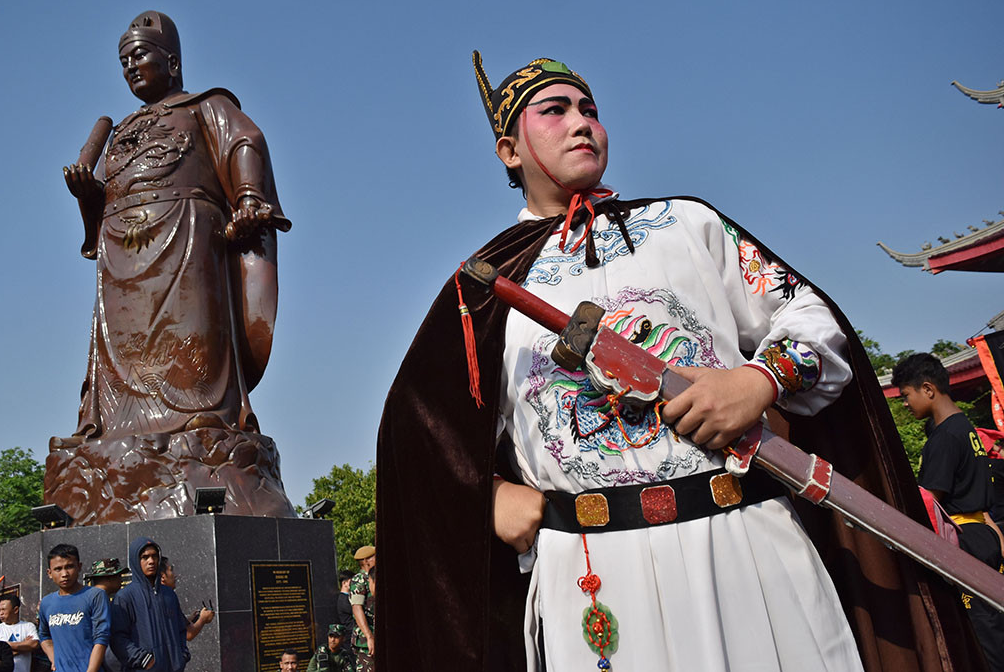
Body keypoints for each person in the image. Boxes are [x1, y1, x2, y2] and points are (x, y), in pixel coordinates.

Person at [376, 52, 984, 671]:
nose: (581, 123)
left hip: (743, 538)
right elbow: (418, 439)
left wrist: (759, 380)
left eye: (589, 109)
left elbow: (813, 318)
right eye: (554, 112)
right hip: (591, 569)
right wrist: (490, 496)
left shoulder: (687, 225)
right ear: (509, 151)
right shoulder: (488, 287)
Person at [61, 9, 290, 442]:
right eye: (123, 61)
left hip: (185, 240)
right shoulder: (119, 130)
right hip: (121, 257)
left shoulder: (203, 106)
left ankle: (203, 412)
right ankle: (113, 428)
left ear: (173, 63)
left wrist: (246, 196)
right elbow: (105, 199)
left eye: (139, 56)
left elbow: (246, 140)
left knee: (189, 333)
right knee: (123, 346)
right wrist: (87, 194)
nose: (130, 67)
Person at [893, 353, 1004, 670]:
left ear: (928, 389)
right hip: (983, 534)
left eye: (906, 395)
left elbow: (930, 502)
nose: (905, 404)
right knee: (992, 627)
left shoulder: (944, 439)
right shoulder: (968, 429)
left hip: (963, 542)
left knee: (981, 635)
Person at [110, 538, 188, 672]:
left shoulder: (169, 594)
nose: (151, 561)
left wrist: (182, 655)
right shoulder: (125, 597)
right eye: (144, 557)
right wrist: (142, 659)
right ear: (136, 561)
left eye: (154, 556)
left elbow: (181, 629)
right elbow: (117, 638)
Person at [37, 544, 110, 672]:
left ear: (79, 567)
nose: (64, 574)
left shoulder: (95, 595)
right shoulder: (46, 603)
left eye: (69, 567)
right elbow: (44, 636)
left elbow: (101, 637)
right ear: (49, 573)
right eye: (58, 569)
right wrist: (54, 658)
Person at [157, 559, 213, 642]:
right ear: (162, 577)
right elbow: (188, 634)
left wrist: (189, 620)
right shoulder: (167, 599)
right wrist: (203, 619)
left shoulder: (154, 597)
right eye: (171, 570)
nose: (175, 575)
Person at [0, 596, 37, 672]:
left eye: (3, 609)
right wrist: (24, 645)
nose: (1, 613)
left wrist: (3, 646)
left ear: (15, 610)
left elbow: (34, 644)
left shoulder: (28, 626)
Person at [347, 548, 374, 672]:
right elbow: (357, 608)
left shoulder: (375, 576)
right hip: (365, 641)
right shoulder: (359, 580)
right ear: (366, 561)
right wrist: (369, 636)